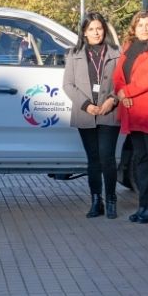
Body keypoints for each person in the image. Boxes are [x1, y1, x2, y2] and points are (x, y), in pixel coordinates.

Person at [61, 12, 121, 219]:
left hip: (109, 111)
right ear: (84, 32)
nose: (96, 32)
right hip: (86, 113)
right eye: (91, 29)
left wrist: (112, 99)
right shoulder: (74, 54)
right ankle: (97, 200)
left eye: (99, 28)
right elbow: (67, 85)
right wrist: (86, 105)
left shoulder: (116, 53)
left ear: (104, 30)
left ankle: (112, 198)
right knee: (93, 159)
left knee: (107, 157)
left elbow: (122, 82)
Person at [113, 12, 148, 224]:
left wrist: (126, 92)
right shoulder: (129, 47)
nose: (144, 29)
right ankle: (143, 205)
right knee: (141, 161)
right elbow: (118, 75)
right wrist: (121, 91)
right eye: (140, 25)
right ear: (134, 28)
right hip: (133, 111)